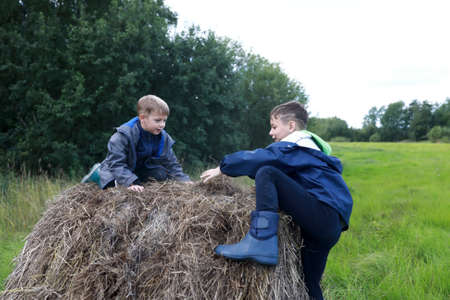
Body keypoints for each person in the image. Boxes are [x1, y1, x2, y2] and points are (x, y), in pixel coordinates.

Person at [200, 101, 353, 300]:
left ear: (291, 126)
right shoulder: (310, 150)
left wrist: (223, 168)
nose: (271, 133)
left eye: (274, 127)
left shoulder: (296, 144)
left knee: (268, 172)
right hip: (330, 226)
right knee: (309, 285)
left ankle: (261, 239)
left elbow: (262, 159)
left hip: (323, 213)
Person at [82, 95, 190, 192]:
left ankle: (134, 179)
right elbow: (117, 163)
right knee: (111, 183)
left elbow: (171, 163)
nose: (162, 125)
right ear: (142, 118)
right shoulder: (123, 135)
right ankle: (97, 173)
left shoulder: (163, 137)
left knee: (161, 175)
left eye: (164, 120)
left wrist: (184, 181)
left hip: (140, 169)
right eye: (157, 120)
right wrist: (130, 182)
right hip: (118, 168)